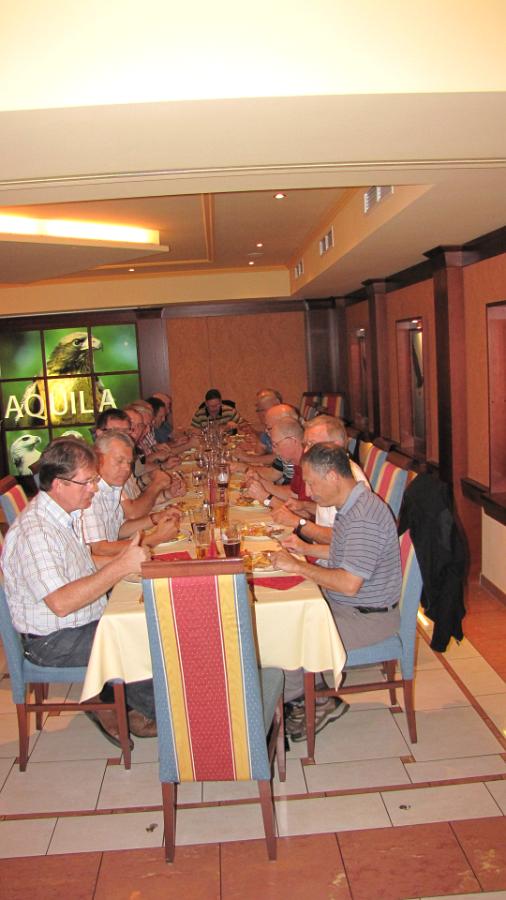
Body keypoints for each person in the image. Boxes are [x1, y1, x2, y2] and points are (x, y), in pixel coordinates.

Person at [1, 437, 157, 744]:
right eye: (87, 482)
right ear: (59, 484)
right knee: (139, 637)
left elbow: (85, 563)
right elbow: (61, 603)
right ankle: (166, 712)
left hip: (79, 623)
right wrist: (120, 567)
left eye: (94, 480)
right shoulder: (37, 531)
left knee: (146, 619)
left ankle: (126, 703)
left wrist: (132, 563)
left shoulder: (63, 514)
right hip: (52, 641)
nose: (94, 489)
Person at [273, 443, 402, 741]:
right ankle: (314, 696)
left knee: (289, 635)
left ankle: (304, 701)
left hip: (368, 618)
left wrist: (299, 566)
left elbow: (348, 583)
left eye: (312, 483)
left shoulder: (363, 516)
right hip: (350, 606)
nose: (308, 491)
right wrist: (304, 549)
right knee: (288, 612)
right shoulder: (351, 504)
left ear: (332, 476)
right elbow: (344, 552)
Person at [271, 415, 369, 544]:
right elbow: (329, 515)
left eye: (312, 444)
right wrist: (304, 505)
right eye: (306, 444)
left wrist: (298, 522)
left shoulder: (348, 478)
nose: (306, 450)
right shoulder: (328, 471)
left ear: (335, 445)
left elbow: (341, 539)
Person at [82, 431, 181, 557]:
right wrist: (155, 538)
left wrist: (156, 518)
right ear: (98, 458)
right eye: (119, 461)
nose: (127, 469)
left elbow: (118, 530)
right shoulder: (90, 493)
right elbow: (99, 549)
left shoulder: (113, 487)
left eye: (129, 462)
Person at [245, 417, 310, 507]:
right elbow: (294, 494)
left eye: (276, 444)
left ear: (292, 441)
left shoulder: (309, 464)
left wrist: (266, 498)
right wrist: (261, 482)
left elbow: (305, 512)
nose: (274, 450)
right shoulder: (297, 463)